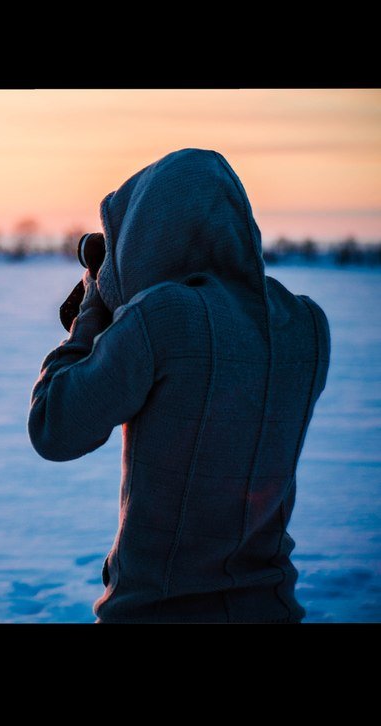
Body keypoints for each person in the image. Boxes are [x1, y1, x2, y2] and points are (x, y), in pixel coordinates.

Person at [27, 148, 330, 623]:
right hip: (272, 607)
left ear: (150, 234)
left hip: (156, 610)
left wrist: (92, 310)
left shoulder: (164, 318)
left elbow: (54, 428)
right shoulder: (305, 325)